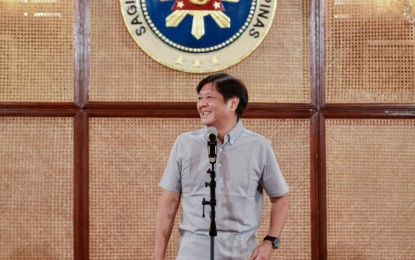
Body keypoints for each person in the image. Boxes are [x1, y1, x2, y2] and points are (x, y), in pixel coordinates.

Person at [154, 73, 290, 260]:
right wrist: (158, 256)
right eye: (200, 98)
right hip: (192, 252)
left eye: (209, 98)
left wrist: (271, 241)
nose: (202, 104)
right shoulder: (184, 144)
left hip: (241, 253)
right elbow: (169, 203)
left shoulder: (258, 147)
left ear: (233, 103)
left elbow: (281, 198)